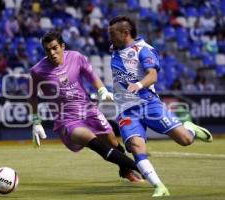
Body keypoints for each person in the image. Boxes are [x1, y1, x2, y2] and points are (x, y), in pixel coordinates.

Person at [107, 15, 213, 197]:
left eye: (112, 34)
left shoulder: (145, 50)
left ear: (126, 33)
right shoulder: (115, 48)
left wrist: (138, 85)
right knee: (135, 146)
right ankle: (159, 185)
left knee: (185, 140)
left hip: (149, 104)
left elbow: (152, 76)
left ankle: (190, 129)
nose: (109, 37)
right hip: (125, 110)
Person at [29, 30, 143, 183]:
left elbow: (91, 75)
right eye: (48, 50)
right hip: (67, 120)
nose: (52, 53)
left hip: (89, 110)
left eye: (55, 48)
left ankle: (126, 171)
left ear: (62, 46)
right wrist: (36, 120)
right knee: (96, 144)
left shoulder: (76, 57)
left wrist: (102, 90)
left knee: (113, 142)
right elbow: (31, 96)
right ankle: (144, 170)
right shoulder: (37, 71)